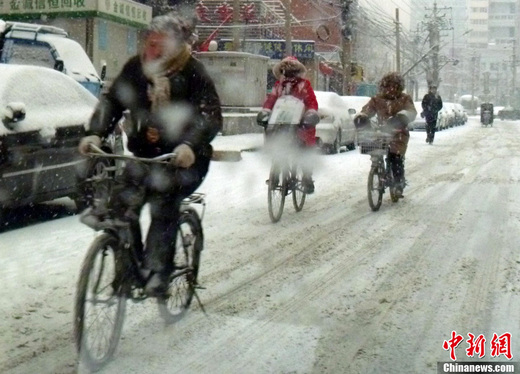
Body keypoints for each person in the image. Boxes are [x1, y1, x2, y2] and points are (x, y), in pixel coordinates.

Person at [78, 13, 222, 295]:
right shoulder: (137, 68)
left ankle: (157, 272)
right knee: (120, 204)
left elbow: (210, 116)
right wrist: (95, 131)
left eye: (159, 44)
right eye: (148, 42)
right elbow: (113, 101)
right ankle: (128, 272)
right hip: (145, 156)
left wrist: (190, 146)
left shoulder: (192, 72)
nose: (150, 50)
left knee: (163, 202)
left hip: (184, 161)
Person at [256, 56, 319, 194]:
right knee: (275, 144)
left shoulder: (304, 85)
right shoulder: (278, 86)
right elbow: (271, 100)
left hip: (300, 124)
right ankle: (276, 172)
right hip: (280, 123)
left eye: (292, 70)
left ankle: (307, 177)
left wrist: (310, 114)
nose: (288, 73)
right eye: (285, 70)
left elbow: (311, 102)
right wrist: (265, 112)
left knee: (303, 150)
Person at [354, 72, 417, 197]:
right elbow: (367, 110)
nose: (391, 89)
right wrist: (362, 118)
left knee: (395, 157)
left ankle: (398, 183)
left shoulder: (404, 99)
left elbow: (411, 111)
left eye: (394, 86)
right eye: (388, 86)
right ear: (383, 86)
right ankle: (379, 172)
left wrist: (401, 118)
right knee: (376, 152)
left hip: (399, 134)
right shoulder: (377, 99)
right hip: (381, 132)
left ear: (399, 87)